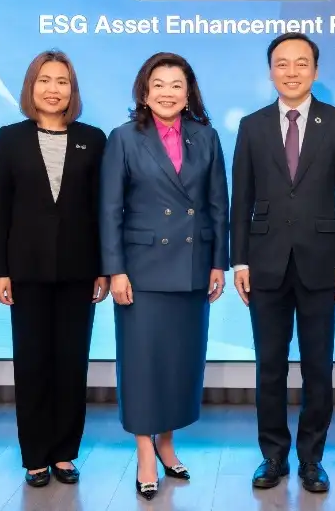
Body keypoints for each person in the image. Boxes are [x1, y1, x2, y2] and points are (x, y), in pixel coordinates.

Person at [231, 32, 335, 493]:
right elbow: (241, 198)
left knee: (317, 366)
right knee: (269, 365)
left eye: (301, 63)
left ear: (316, 71)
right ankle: (272, 455)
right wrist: (239, 261)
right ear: (271, 71)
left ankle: (311, 459)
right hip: (264, 262)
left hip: (321, 262)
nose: (291, 71)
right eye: (282, 63)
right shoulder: (251, 125)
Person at [99, 52, 229, 500]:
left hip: (192, 268)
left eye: (177, 85)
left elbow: (218, 204)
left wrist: (218, 261)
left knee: (179, 362)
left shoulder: (206, 136)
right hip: (141, 271)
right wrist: (115, 270)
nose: (167, 93)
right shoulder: (124, 137)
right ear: (144, 91)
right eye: (159, 84)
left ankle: (167, 443)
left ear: (189, 93)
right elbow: (110, 210)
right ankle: (144, 451)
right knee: (142, 365)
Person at [0, 50, 110, 487]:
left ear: (72, 90)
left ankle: (64, 453)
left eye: (61, 81)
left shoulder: (93, 139)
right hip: (26, 271)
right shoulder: (9, 138)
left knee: (71, 365)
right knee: (32, 363)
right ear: (31, 87)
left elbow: (100, 209)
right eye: (44, 80)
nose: (53, 89)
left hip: (80, 270)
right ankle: (35, 455)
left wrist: (103, 268)